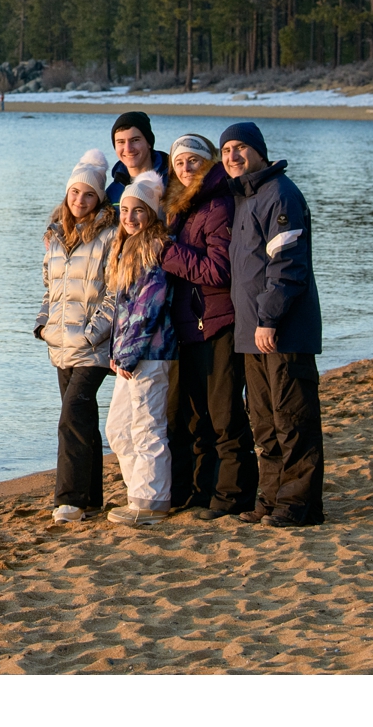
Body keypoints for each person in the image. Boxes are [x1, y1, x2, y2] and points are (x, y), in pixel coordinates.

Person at [219, 121, 325, 529]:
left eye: (241, 148)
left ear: (260, 151)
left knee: (292, 419)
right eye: (227, 150)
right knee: (264, 421)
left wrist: (269, 319)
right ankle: (270, 500)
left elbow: (288, 266)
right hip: (253, 334)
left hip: (282, 331)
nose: (233, 156)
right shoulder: (247, 197)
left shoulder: (280, 194)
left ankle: (299, 506)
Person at [162, 133, 257, 519]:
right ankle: (203, 493)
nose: (186, 168)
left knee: (225, 415)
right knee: (197, 417)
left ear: (210, 162)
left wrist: (167, 252)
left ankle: (233, 497)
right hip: (190, 325)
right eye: (179, 162)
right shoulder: (182, 207)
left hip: (218, 322)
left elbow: (219, 270)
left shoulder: (217, 205)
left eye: (194, 161)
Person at [35, 149, 119, 523]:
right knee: (81, 418)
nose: (80, 200)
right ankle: (91, 499)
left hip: (92, 345)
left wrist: (94, 333)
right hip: (60, 343)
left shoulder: (111, 236)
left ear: (99, 198)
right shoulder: (54, 236)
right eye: (74, 193)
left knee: (71, 416)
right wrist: (43, 324)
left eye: (88, 194)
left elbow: (118, 290)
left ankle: (68, 499)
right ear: (66, 195)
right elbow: (49, 289)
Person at [101, 170, 178, 527]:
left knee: (148, 427)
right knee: (118, 429)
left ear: (151, 214)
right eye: (125, 210)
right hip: (127, 357)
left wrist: (128, 354)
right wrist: (117, 354)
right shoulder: (124, 248)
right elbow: (121, 310)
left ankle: (152, 503)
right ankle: (140, 493)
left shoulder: (154, 249)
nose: (130, 218)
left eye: (139, 211)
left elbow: (147, 309)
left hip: (151, 354)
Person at [105, 110, 170, 205]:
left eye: (135, 140)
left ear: (149, 143)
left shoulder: (173, 182)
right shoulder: (112, 193)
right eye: (121, 142)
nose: (128, 149)